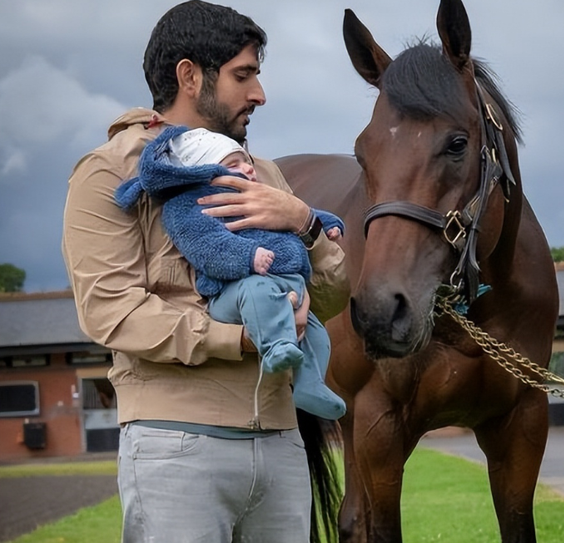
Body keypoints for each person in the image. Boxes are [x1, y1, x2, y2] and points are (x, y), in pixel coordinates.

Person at [61, 2, 349, 542]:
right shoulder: (110, 171)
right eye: (244, 75)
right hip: (176, 446)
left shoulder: (264, 174)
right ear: (189, 76)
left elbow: (331, 300)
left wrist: (305, 223)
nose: (259, 93)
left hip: (284, 441)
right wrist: (241, 337)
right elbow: (111, 311)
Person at [114, 125, 347, 421]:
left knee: (316, 332)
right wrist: (249, 257)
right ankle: (277, 348)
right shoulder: (191, 205)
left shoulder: (259, 193)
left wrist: (323, 223)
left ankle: (311, 385)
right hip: (235, 289)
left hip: (284, 284)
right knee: (258, 293)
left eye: (245, 161)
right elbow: (208, 247)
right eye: (233, 164)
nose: (247, 168)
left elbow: (301, 213)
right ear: (205, 171)